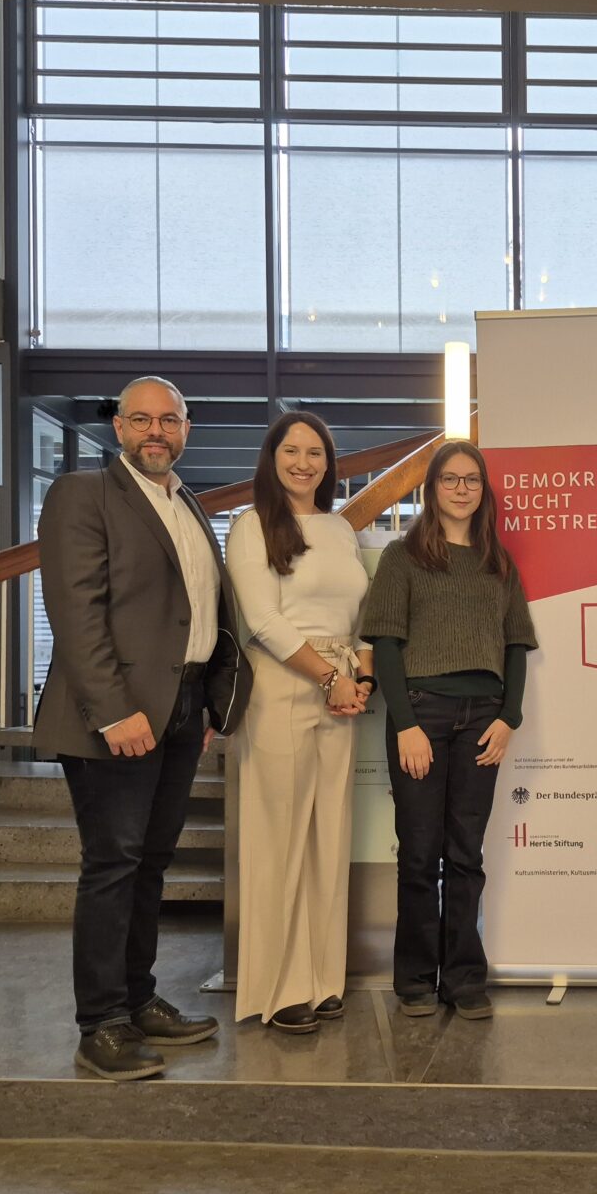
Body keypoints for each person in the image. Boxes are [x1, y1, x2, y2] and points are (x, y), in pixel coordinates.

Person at [36, 375, 252, 1081]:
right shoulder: (83, 495)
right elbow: (77, 612)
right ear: (119, 428)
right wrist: (113, 710)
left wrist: (208, 702)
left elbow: (201, 609)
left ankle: (137, 998)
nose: (155, 431)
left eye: (169, 420)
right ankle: (100, 1025)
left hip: (180, 710)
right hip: (117, 714)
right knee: (114, 865)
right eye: (141, 419)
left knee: (150, 862)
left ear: (186, 428)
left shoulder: (187, 502)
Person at [359, 441, 537, 1021]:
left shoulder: (498, 562)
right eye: (450, 479)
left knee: (466, 855)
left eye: (472, 480)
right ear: (431, 488)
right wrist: (405, 724)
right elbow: (386, 644)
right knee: (419, 854)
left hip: (483, 720)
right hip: (421, 714)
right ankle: (414, 979)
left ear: (483, 490)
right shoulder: (402, 557)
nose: (462, 489)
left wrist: (509, 717)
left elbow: (516, 646)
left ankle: (463, 978)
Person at [227, 411, 374, 1036]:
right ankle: (279, 988)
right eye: (292, 450)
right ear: (272, 457)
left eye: (316, 452)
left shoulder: (339, 528)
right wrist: (328, 676)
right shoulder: (251, 525)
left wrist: (360, 678)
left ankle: (322, 979)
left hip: (341, 688)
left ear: (328, 463)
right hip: (283, 684)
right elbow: (262, 619)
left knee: (328, 838)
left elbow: (360, 616)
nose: (304, 463)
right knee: (279, 837)